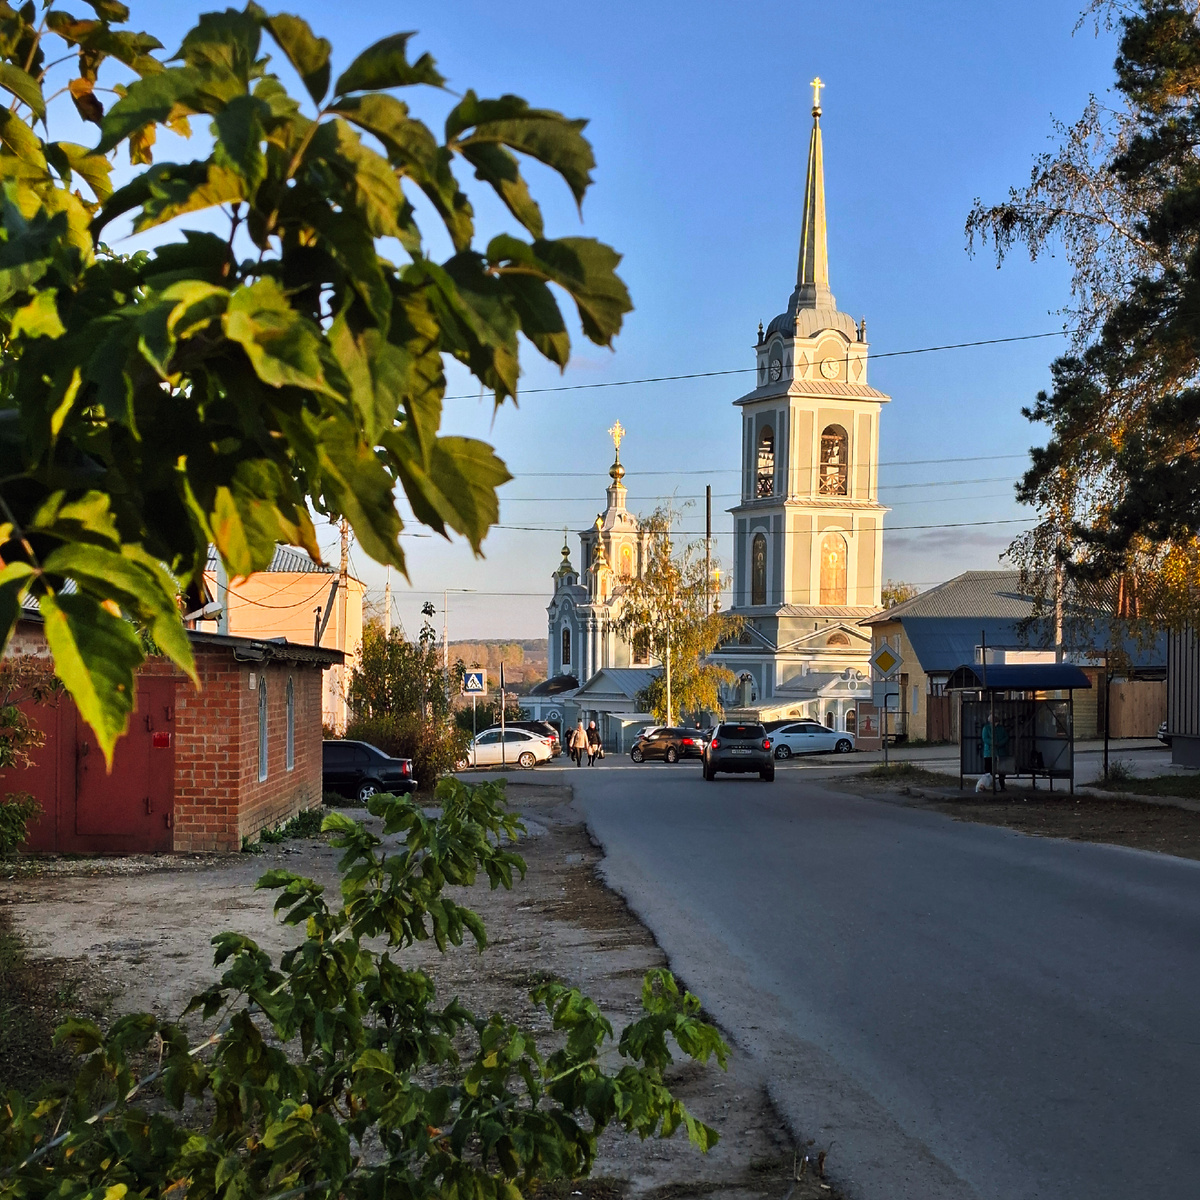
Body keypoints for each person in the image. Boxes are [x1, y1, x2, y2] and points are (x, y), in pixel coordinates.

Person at [981, 717, 1009, 791]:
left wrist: (999, 743)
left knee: (1002, 771)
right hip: (990, 753)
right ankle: (989, 785)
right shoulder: (986, 728)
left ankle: (1001, 785)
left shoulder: (1001, 728)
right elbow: (985, 738)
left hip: (1000, 752)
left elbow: (1006, 737)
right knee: (989, 770)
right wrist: (994, 743)